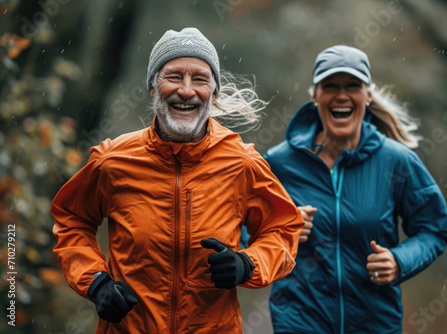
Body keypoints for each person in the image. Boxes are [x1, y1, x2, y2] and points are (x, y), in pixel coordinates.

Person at [51, 27, 304, 333]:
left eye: (199, 79)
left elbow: (284, 229)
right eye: (173, 76)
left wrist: (247, 264)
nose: (186, 90)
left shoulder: (242, 163)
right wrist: (96, 281)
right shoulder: (112, 161)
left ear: (213, 92)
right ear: (152, 88)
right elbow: (71, 219)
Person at [260, 45, 447, 333]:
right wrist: (280, 230)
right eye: (330, 86)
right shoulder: (279, 163)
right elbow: (242, 231)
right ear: (315, 96)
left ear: (368, 95)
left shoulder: (396, 162)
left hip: (373, 323)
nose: (341, 95)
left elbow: (433, 229)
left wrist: (399, 262)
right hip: (299, 320)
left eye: (352, 85)